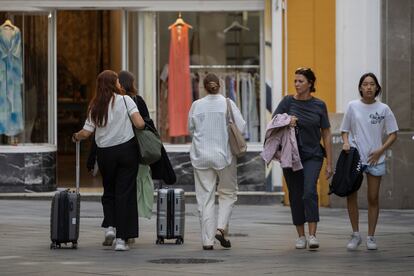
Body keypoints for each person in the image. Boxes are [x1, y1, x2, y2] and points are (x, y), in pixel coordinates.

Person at [72, 70, 145, 251]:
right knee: (125, 193)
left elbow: (86, 133)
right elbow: (139, 124)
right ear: (115, 84)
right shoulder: (127, 100)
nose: (120, 84)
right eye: (118, 82)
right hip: (127, 151)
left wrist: (75, 136)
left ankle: (110, 228)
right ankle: (121, 240)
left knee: (109, 190)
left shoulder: (94, 105)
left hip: (105, 154)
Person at [273, 67, 333, 250]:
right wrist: (286, 120)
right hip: (290, 156)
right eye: (295, 81)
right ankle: (301, 236)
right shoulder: (287, 102)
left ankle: (313, 235)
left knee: (309, 191)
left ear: (310, 84)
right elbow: (274, 122)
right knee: (296, 195)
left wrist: (330, 162)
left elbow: (326, 133)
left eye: (301, 81)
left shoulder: (319, 105)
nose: (297, 84)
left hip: (313, 155)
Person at [188, 73, 246, 250]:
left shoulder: (196, 105)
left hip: (201, 157)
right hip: (224, 156)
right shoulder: (227, 103)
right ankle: (220, 228)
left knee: (205, 199)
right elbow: (241, 127)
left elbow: (190, 129)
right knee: (228, 193)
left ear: (203, 87)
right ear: (220, 85)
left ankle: (207, 241)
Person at [340, 72, 398, 251]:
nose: (368, 87)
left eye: (372, 84)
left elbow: (393, 134)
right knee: (352, 195)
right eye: (365, 84)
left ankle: (371, 237)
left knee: (373, 198)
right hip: (356, 157)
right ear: (360, 87)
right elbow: (344, 130)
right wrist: (346, 143)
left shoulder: (384, 109)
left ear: (377, 87)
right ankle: (356, 234)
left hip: (376, 158)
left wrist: (381, 150)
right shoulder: (352, 106)